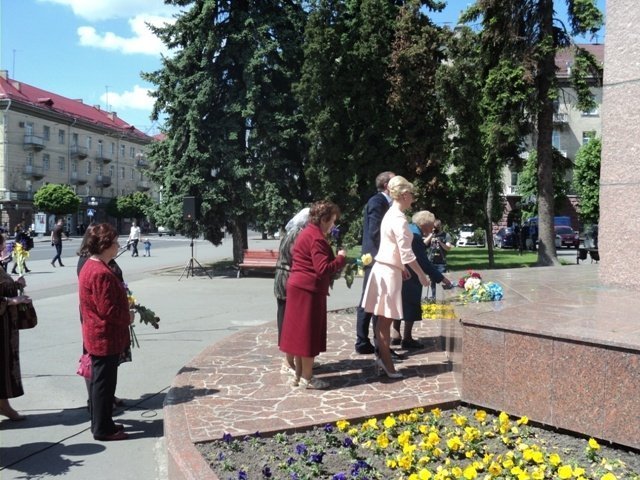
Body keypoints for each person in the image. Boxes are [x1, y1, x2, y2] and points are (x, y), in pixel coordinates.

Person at [361, 176, 431, 378]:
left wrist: (402, 267)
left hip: (386, 268)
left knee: (383, 321)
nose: (413, 199)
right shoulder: (398, 218)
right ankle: (386, 363)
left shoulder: (391, 213)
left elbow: (392, 248)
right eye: (412, 194)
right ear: (405, 194)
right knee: (385, 322)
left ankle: (383, 359)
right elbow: (407, 253)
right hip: (388, 272)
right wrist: (421, 275)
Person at [279, 201, 346, 389]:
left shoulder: (306, 232)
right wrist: (341, 258)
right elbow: (322, 269)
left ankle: (299, 376)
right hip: (309, 290)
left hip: (298, 287)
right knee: (308, 334)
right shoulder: (316, 238)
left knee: (299, 334)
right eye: (332, 221)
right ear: (324, 219)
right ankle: (307, 378)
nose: (333, 225)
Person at [78, 223, 132, 441]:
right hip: (104, 336)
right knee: (103, 385)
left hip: (98, 334)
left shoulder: (93, 266)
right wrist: (128, 317)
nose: (118, 245)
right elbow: (108, 310)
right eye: (115, 242)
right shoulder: (100, 272)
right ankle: (102, 429)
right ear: (105, 245)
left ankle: (103, 422)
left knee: (103, 384)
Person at [392, 211, 453, 349]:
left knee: (398, 303)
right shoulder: (415, 236)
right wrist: (442, 278)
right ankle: (407, 338)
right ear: (424, 224)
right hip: (411, 276)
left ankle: (395, 335)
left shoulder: (409, 229)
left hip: (399, 272)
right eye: (431, 225)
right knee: (411, 305)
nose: (432, 228)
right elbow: (423, 262)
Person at [355, 171, 395, 355]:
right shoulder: (377, 202)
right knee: (368, 300)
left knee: (378, 302)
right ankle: (363, 342)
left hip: (382, 258)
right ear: (387, 185)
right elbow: (375, 232)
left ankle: (380, 343)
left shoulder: (387, 203)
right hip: (376, 259)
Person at [0, 233, 33, 421]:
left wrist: (15, 284)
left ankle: (3, 405)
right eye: (1, 246)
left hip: (5, 328)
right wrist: (12, 300)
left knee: (3, 367)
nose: (4, 249)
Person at [274, 207, 309, 376]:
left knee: (287, 318)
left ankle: (297, 360)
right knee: (288, 320)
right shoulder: (297, 234)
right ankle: (288, 362)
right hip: (286, 278)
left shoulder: (292, 232)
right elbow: (298, 257)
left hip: (283, 277)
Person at [424, 219, 453, 300]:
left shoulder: (446, 235)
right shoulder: (430, 235)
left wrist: (440, 242)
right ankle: (432, 297)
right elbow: (424, 244)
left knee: (441, 280)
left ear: (440, 226)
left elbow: (448, 248)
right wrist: (431, 235)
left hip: (441, 262)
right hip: (430, 261)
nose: (435, 228)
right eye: (434, 227)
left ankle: (441, 298)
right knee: (431, 280)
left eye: (437, 227)